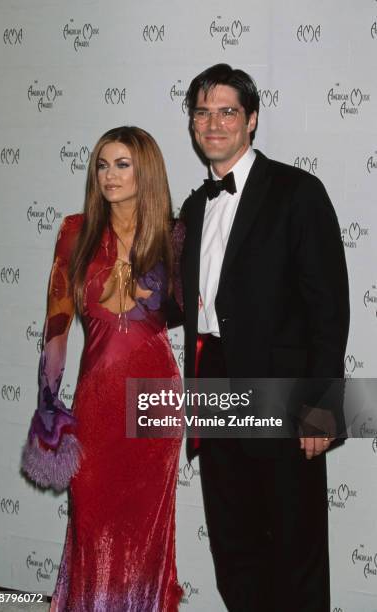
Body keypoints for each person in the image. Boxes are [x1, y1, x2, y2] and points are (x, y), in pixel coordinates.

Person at [179, 64, 349, 612]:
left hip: (282, 395)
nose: (214, 123)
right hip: (214, 386)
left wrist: (323, 404)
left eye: (227, 111)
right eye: (202, 112)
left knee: (294, 550)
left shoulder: (297, 192)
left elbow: (329, 308)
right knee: (234, 547)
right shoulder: (193, 206)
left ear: (251, 120)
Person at [22, 126, 183, 611]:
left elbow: (194, 314)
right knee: (90, 526)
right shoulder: (76, 232)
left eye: (122, 164)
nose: (109, 175)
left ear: (146, 170)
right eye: (102, 164)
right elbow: (56, 325)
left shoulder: (174, 235)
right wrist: (49, 406)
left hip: (155, 400)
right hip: (96, 402)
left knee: (146, 537)